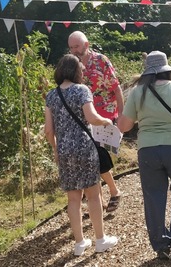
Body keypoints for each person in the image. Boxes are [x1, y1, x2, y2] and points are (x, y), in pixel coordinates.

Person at [117, 50, 171, 260]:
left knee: (154, 196)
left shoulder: (138, 92)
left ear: (147, 71)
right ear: (167, 69)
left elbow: (124, 125)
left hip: (148, 150)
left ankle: (160, 245)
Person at [44, 54, 119, 256]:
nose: (83, 71)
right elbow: (91, 118)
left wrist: (55, 149)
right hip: (84, 148)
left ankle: (79, 244)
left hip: (64, 151)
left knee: (73, 199)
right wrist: (107, 122)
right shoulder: (82, 90)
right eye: (81, 69)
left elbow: (48, 130)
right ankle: (101, 240)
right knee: (93, 196)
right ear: (75, 71)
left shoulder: (51, 96)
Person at [68, 31, 123, 212]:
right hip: (82, 118)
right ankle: (100, 200)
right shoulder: (71, 65)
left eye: (76, 46)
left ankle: (113, 192)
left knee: (97, 155)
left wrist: (121, 115)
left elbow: (116, 88)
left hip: (103, 116)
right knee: (92, 159)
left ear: (86, 44)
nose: (74, 50)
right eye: (71, 47)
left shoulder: (101, 60)